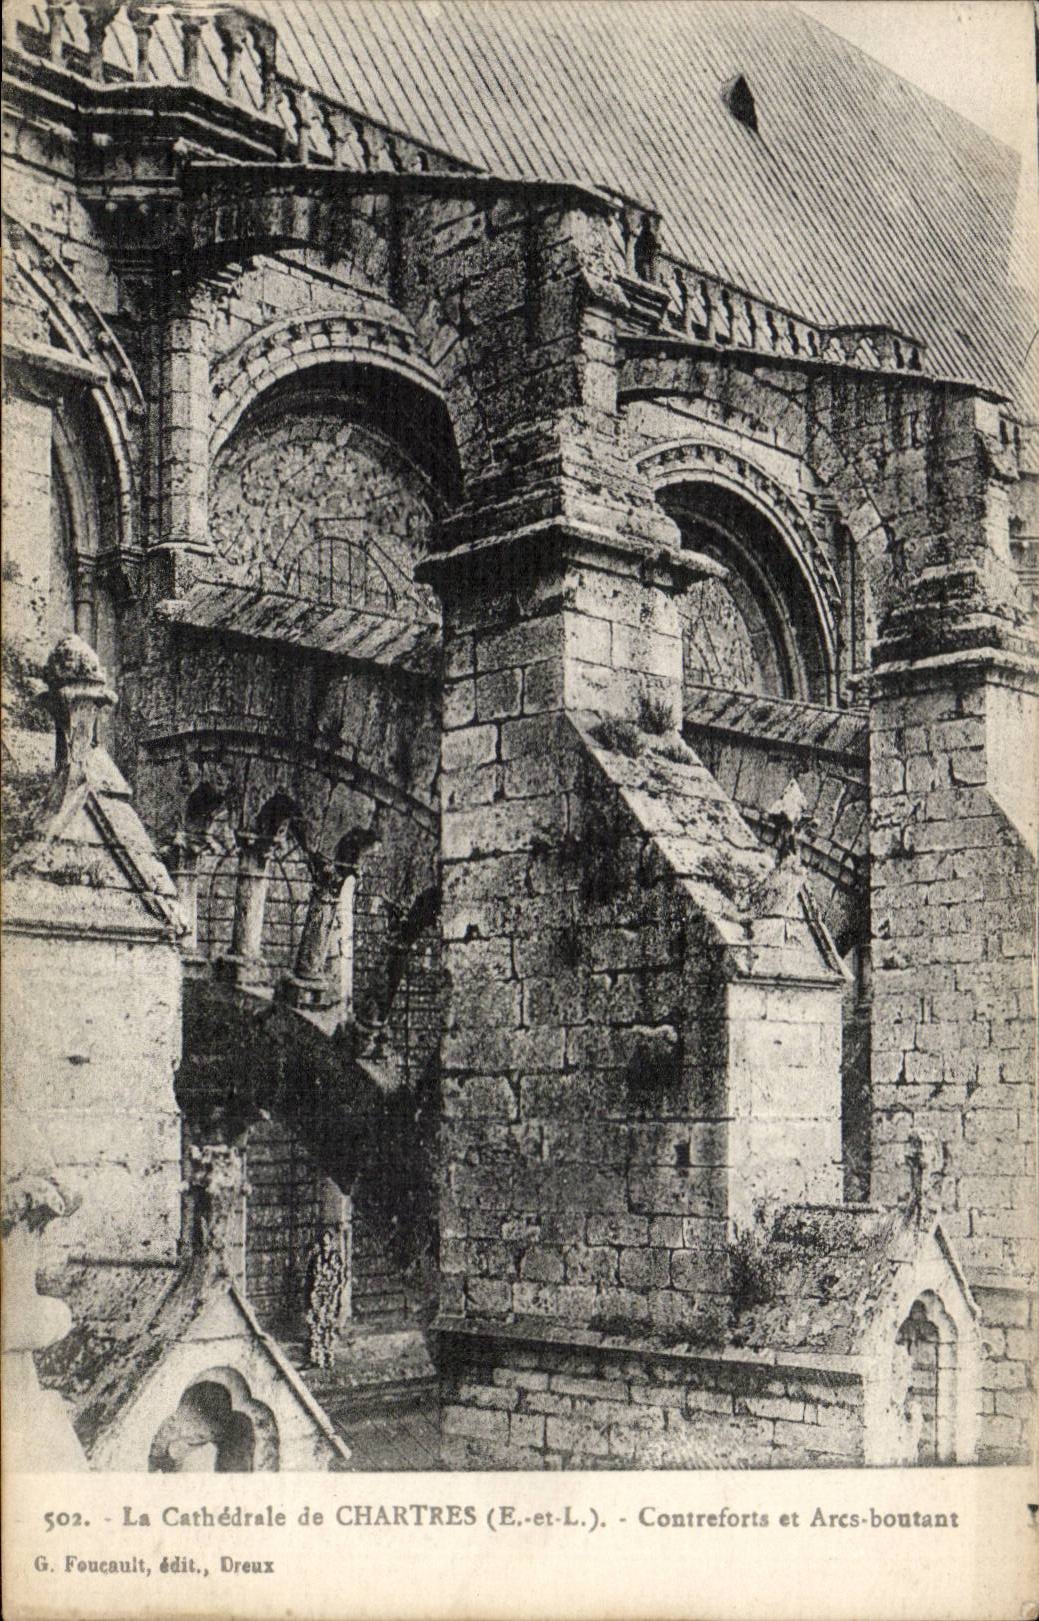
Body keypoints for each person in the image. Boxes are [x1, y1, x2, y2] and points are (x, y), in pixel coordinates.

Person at [305, 1227, 344, 1370]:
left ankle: (329, 1358)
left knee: (329, 1329)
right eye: (322, 1245)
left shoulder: (336, 1259)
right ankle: (316, 1358)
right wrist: (312, 1298)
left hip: (330, 1298)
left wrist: (336, 1298)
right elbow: (310, 1280)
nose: (325, 1247)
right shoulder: (316, 1259)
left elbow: (340, 1281)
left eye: (327, 1244)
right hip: (317, 1298)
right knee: (315, 1327)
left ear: (332, 1243)